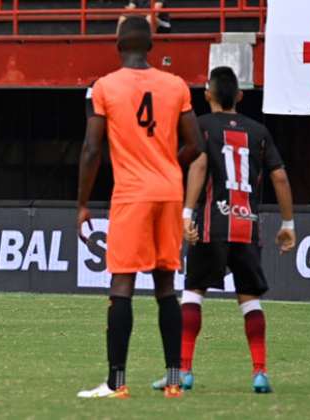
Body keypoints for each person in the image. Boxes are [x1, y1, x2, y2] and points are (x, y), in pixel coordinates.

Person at [76, 16, 201, 399]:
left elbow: (93, 148)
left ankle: (116, 381)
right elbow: (195, 144)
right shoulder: (175, 85)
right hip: (169, 191)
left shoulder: (105, 87)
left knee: (122, 284)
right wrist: (166, 163)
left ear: (117, 44)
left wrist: (82, 203)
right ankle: (175, 381)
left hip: (131, 193)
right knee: (166, 286)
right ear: (151, 46)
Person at [151, 67, 296, 394]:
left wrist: (186, 213)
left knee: (193, 293)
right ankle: (260, 373)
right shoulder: (259, 131)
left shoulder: (201, 126)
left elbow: (199, 165)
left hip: (210, 227)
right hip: (248, 228)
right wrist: (288, 224)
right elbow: (281, 177)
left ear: (207, 94)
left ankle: (184, 372)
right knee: (250, 301)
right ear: (240, 97)